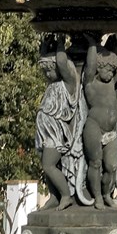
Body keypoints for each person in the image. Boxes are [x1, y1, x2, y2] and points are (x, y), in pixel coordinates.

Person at [82, 33, 117, 208]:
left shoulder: (111, 83)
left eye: (112, 71)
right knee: (95, 163)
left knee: (111, 167)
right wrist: (92, 44)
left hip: (111, 131)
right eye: (107, 70)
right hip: (94, 127)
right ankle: (97, 197)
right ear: (99, 68)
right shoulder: (90, 83)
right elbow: (89, 66)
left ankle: (106, 195)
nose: (111, 74)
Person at [35, 34, 86, 208]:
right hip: (45, 129)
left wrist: (60, 45)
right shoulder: (53, 84)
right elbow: (49, 63)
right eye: (46, 70)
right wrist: (44, 48)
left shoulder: (69, 83)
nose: (48, 74)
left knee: (48, 165)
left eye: (51, 69)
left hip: (57, 131)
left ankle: (66, 196)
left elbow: (63, 63)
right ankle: (54, 196)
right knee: (46, 165)